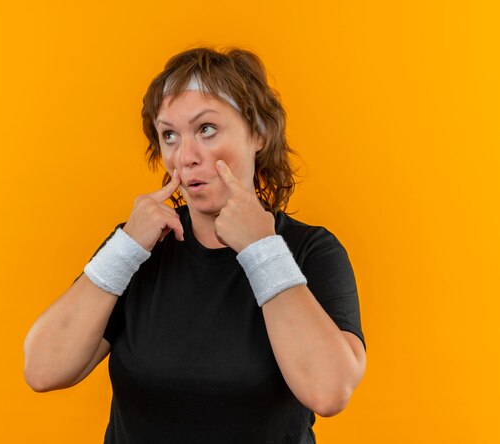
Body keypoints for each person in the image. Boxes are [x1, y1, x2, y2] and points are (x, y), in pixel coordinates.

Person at [23, 46, 366, 444]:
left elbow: (330, 390)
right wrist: (126, 248)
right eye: (169, 135)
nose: (185, 157)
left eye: (206, 129)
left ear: (258, 132)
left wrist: (262, 250)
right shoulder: (138, 249)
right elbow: (43, 369)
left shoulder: (310, 250)